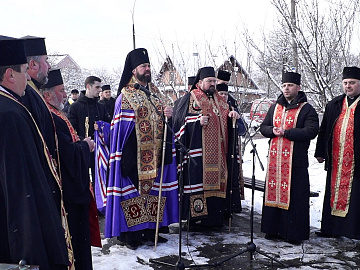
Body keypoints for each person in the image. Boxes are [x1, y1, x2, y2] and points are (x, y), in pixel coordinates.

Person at [0, 37, 70, 270]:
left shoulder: (11, 106)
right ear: (10, 74)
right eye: (23, 71)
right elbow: (19, 188)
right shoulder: (9, 113)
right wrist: (30, 246)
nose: (28, 77)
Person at [103, 48, 178, 249]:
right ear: (133, 70)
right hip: (132, 155)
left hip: (153, 155)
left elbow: (160, 120)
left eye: (148, 66)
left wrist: (167, 115)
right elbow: (121, 130)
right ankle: (131, 235)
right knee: (132, 194)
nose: (147, 69)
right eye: (143, 66)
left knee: (153, 192)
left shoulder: (154, 94)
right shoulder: (125, 96)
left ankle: (149, 231)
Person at [41, 69, 102, 269]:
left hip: (76, 189)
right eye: (62, 91)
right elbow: (66, 153)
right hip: (70, 193)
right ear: (48, 95)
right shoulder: (51, 117)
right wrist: (86, 145)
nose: (66, 94)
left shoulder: (58, 114)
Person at [173, 66, 240, 229]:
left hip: (219, 156)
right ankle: (195, 220)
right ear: (200, 82)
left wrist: (233, 115)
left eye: (214, 81)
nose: (212, 84)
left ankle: (214, 220)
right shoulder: (190, 99)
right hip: (197, 156)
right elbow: (177, 122)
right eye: (209, 81)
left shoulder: (221, 102)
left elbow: (229, 117)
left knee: (217, 187)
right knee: (197, 186)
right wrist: (196, 121)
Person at [260, 71, 319, 244]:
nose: (286, 89)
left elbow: (311, 131)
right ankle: (273, 230)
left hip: (296, 162)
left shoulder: (307, 109)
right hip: (275, 162)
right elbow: (264, 127)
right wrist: (272, 131)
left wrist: (287, 133)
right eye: (284, 85)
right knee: (274, 193)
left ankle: (294, 233)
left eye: (290, 85)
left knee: (296, 198)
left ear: (298, 88)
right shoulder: (275, 107)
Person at [315, 66, 360, 239]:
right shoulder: (334, 104)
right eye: (345, 83)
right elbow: (324, 129)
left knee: (355, 197)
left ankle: (352, 232)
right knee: (332, 193)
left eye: (352, 83)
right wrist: (320, 151)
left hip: (356, 161)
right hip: (336, 159)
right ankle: (330, 229)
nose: (348, 86)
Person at [68, 76, 112, 182]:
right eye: (97, 87)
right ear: (88, 86)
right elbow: (71, 130)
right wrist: (83, 141)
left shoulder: (101, 107)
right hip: (83, 151)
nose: (100, 90)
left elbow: (110, 125)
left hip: (100, 152)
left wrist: (102, 126)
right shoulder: (75, 107)